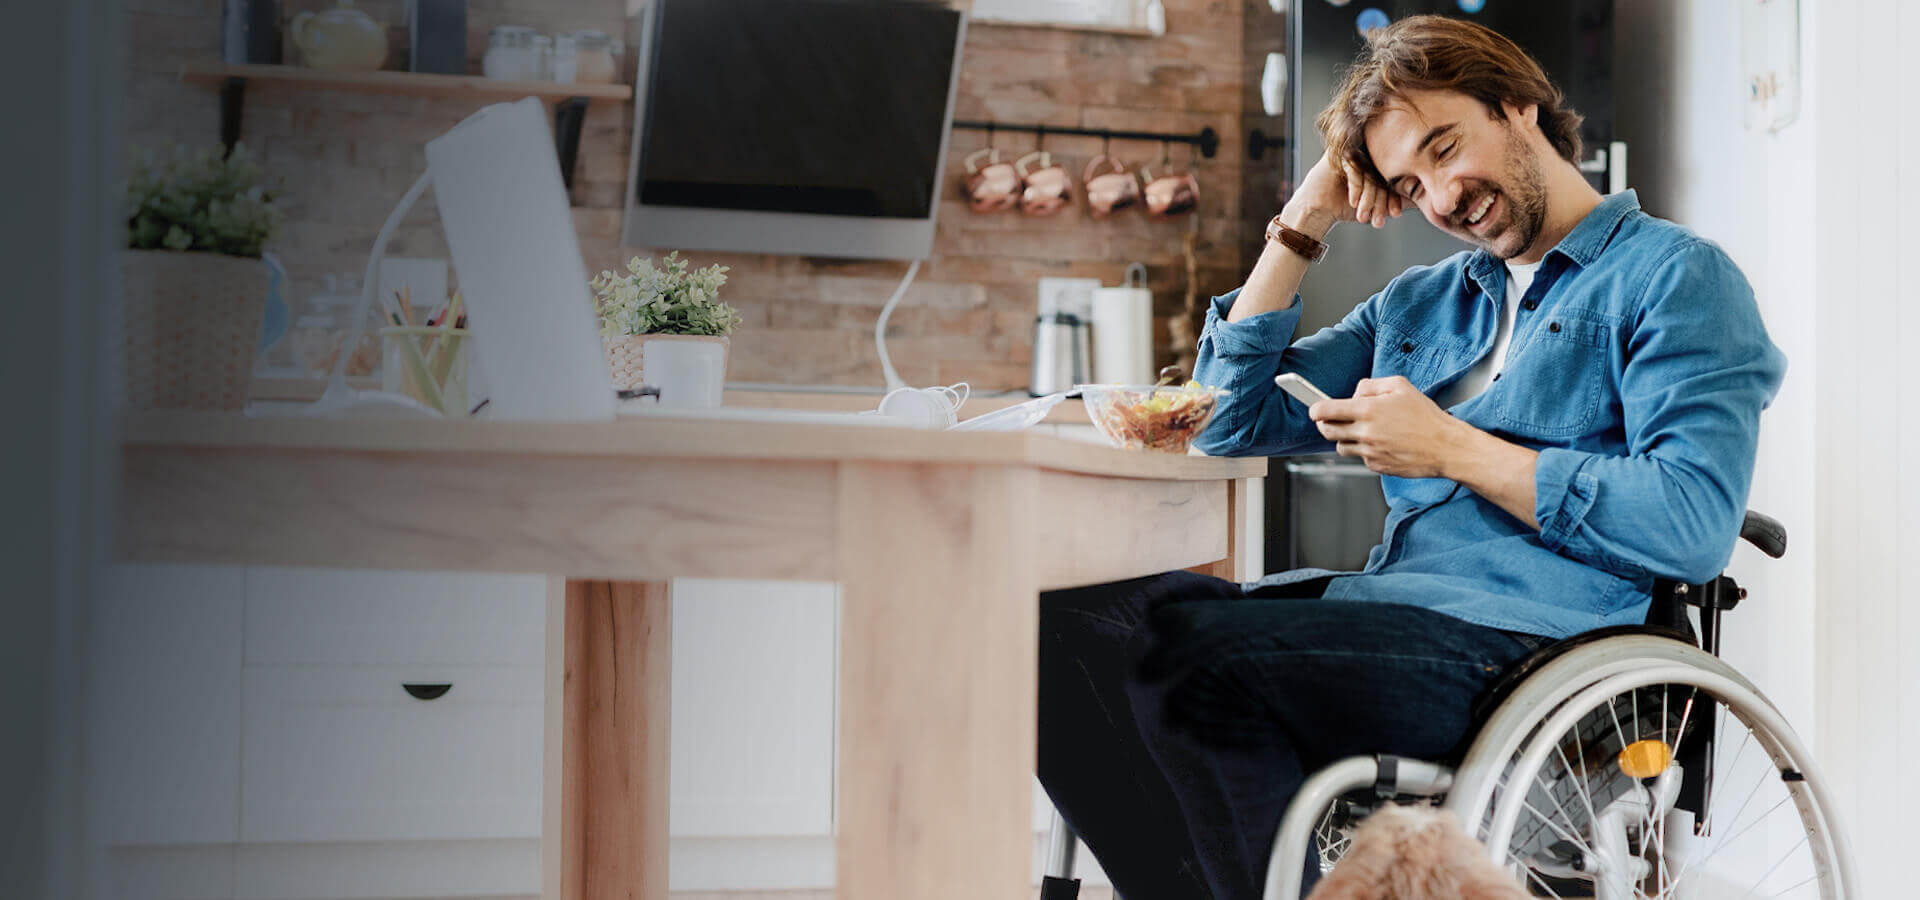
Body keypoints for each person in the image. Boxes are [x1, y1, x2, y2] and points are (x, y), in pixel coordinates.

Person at [1036, 14, 1784, 900]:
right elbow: (1225, 421)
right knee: (1058, 632)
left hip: (1541, 647)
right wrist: (1306, 216)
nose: (1439, 197)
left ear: (1518, 107)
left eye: (1444, 146)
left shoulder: (1676, 277)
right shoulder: (1423, 303)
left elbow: (1692, 524)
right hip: (1389, 613)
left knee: (1199, 658)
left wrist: (1454, 448)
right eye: (1407, 179)